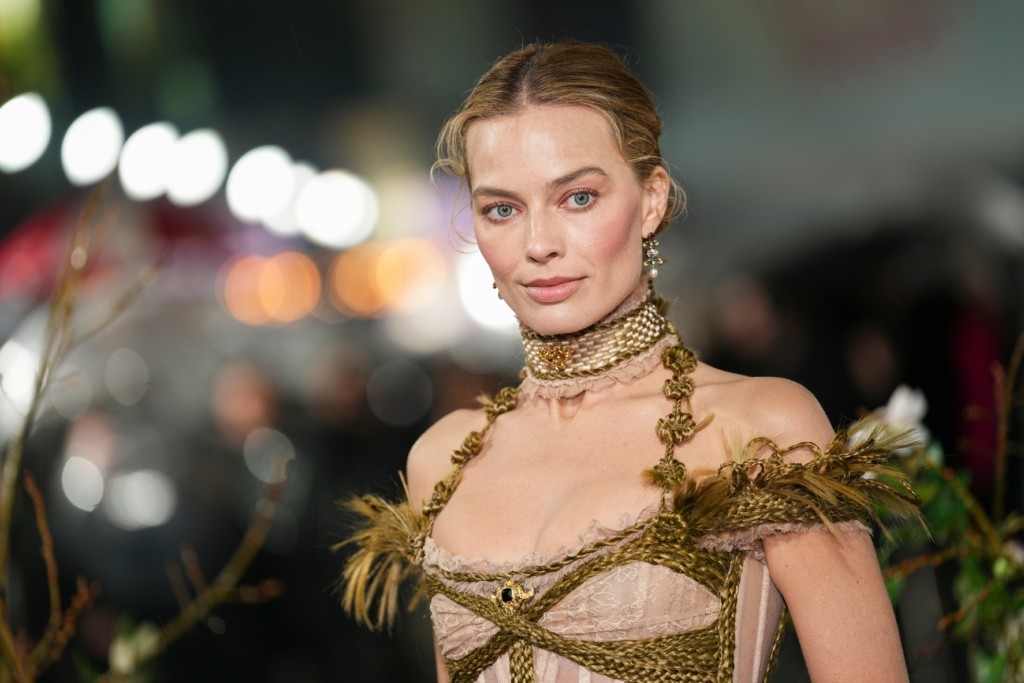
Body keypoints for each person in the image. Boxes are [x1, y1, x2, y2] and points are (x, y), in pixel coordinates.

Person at [338, 41, 921, 683]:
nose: (538, 244)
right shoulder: (443, 461)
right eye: (502, 209)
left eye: (577, 198)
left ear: (651, 201)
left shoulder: (760, 427)